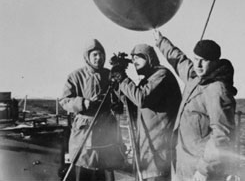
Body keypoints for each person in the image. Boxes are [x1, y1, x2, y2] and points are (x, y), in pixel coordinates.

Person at [153, 30, 237, 181]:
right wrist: (161, 41)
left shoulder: (218, 90)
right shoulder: (195, 77)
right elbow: (179, 60)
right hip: (183, 164)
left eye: (203, 60)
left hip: (199, 170)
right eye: (195, 59)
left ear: (215, 62)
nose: (197, 64)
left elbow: (222, 134)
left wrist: (204, 170)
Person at [110, 44, 182, 181]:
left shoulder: (162, 75)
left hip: (159, 149)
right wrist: (118, 86)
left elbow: (142, 99)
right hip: (147, 148)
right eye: (133, 59)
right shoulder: (148, 80)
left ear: (149, 58)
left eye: (138, 57)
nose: (134, 61)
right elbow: (134, 105)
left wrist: (124, 79)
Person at [59, 39, 120, 181]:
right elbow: (64, 101)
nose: (99, 58)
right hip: (84, 134)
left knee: (105, 173)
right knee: (84, 170)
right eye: (95, 55)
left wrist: (117, 104)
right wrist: (82, 103)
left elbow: (119, 97)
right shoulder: (75, 76)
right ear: (88, 57)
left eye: (101, 55)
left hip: (106, 131)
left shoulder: (110, 75)